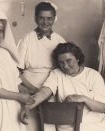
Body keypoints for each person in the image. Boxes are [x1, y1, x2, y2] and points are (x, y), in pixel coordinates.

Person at [20, 42, 105, 131]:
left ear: (78, 59)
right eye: (61, 62)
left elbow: (102, 108)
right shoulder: (56, 74)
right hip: (68, 126)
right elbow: (44, 92)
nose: (65, 66)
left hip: (97, 124)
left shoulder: (93, 75)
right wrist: (28, 106)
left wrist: (84, 99)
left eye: (69, 61)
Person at [17, 1, 66, 131]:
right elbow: (16, 72)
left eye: (49, 18)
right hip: (29, 86)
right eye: (41, 18)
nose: (45, 22)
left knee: (49, 125)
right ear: (35, 18)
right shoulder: (27, 39)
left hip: (52, 87)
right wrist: (33, 89)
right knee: (29, 125)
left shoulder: (59, 40)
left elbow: (65, 70)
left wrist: (49, 90)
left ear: (54, 19)